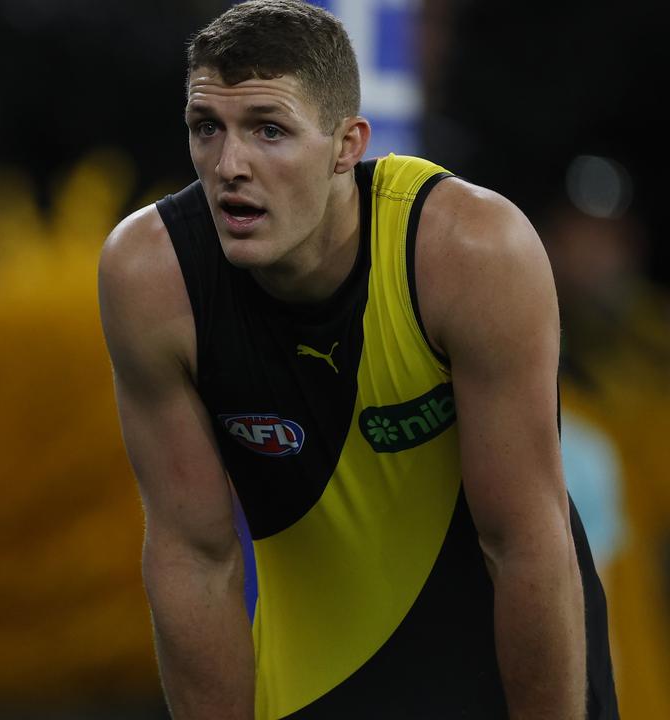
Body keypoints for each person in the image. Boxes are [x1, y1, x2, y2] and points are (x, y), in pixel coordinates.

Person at [97, 1, 617, 718]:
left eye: (268, 130)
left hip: (505, 676)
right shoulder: (152, 276)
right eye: (206, 128)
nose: (230, 165)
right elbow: (194, 557)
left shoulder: (470, 251)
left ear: (348, 145)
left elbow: (523, 542)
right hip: (315, 683)